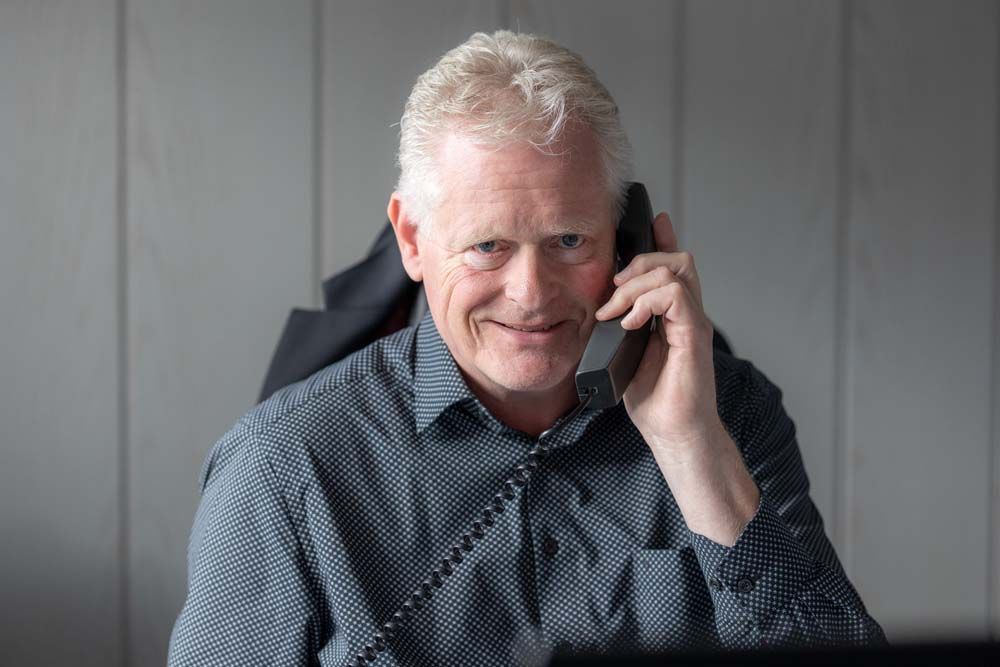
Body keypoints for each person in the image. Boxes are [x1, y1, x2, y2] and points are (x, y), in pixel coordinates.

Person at [168, 30, 887, 667]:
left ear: (628, 237)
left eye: (569, 240)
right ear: (412, 240)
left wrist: (694, 449)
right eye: (488, 246)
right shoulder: (282, 467)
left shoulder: (732, 414)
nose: (532, 292)